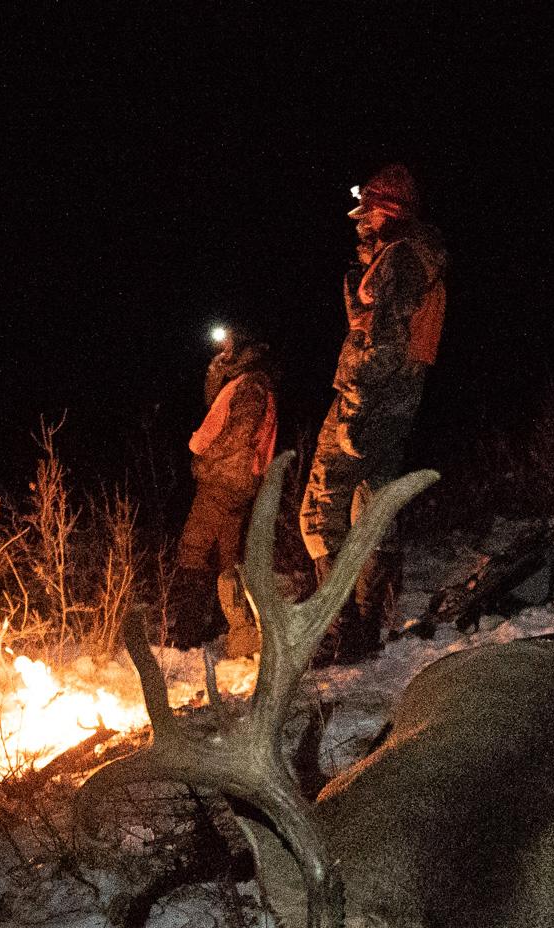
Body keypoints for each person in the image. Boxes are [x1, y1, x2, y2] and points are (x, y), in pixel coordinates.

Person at [302, 163, 447, 663]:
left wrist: (354, 409)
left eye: (367, 212)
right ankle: (361, 630)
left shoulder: (400, 259)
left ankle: (341, 629)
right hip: (393, 406)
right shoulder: (415, 256)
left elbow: (382, 341)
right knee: (372, 509)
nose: (360, 221)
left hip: (369, 402)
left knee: (321, 510)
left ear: (388, 211)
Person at [167, 323, 278, 654]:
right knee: (227, 556)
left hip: (224, 479)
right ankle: (236, 629)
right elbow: (216, 410)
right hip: (236, 481)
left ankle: (187, 633)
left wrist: (204, 458)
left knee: (193, 549)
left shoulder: (252, 384)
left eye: (230, 346)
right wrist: (215, 375)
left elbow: (239, 434)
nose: (224, 351)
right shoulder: (247, 381)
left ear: (243, 347)